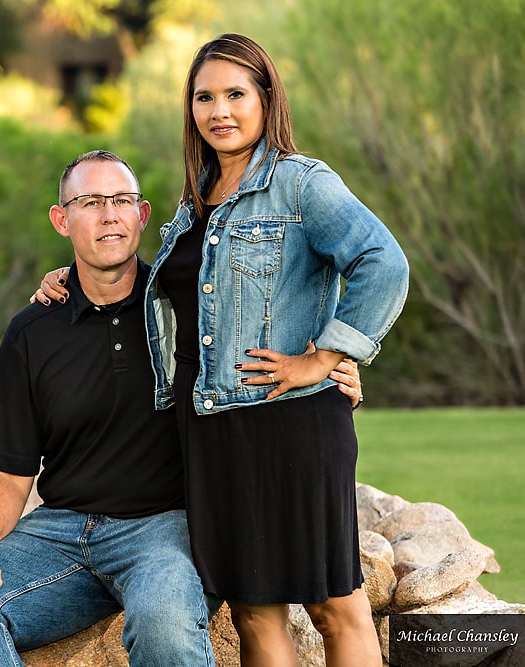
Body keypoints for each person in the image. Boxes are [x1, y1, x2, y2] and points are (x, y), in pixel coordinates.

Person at [35, 34, 408, 667]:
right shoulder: (192, 203)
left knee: (334, 603)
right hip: (208, 433)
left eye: (236, 94)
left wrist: (328, 356)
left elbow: (384, 263)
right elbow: (174, 298)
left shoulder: (299, 184)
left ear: (267, 100)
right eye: (204, 97)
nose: (219, 111)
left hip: (288, 422)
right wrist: (69, 278)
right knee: (254, 607)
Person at [0, 150, 216, 667]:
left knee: (164, 621)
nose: (109, 215)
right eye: (90, 202)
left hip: (163, 530)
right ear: (62, 220)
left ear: (142, 216)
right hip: (61, 534)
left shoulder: (184, 306)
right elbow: (8, 473)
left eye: (121, 200)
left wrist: (330, 363)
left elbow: (260, 332)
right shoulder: (33, 331)